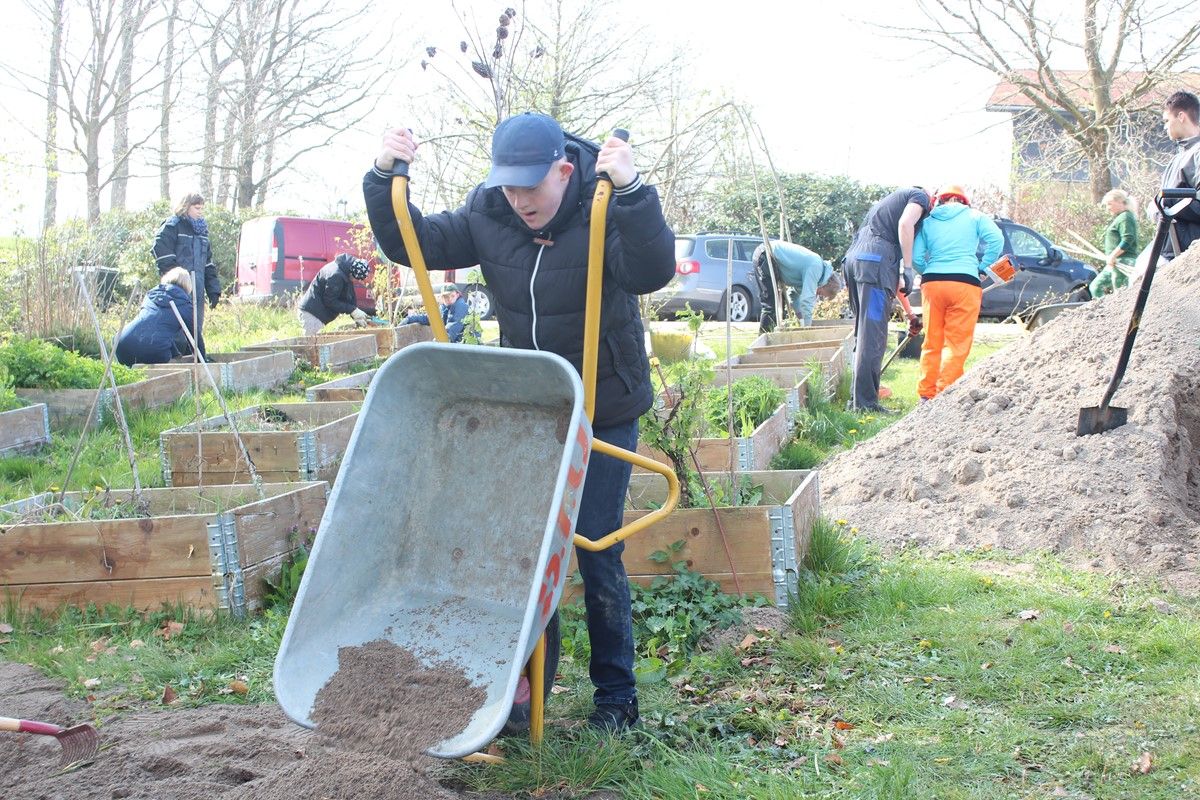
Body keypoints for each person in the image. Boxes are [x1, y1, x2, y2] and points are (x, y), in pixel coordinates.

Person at [364, 112, 675, 732]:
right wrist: (382, 177)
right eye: (509, 187)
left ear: (565, 171)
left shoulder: (603, 204)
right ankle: (525, 694)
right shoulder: (490, 211)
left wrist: (636, 193)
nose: (520, 200)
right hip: (533, 409)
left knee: (592, 545)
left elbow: (651, 271)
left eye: (531, 188)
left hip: (602, 406)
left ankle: (617, 698)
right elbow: (412, 242)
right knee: (529, 553)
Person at [910, 184, 1003, 402]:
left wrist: (930, 272)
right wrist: (983, 267)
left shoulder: (928, 222)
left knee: (932, 340)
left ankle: (926, 394)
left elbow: (915, 257)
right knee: (956, 343)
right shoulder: (975, 216)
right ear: (964, 201)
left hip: (933, 284)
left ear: (939, 200)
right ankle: (945, 394)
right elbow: (996, 239)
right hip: (965, 283)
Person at [843, 187, 932, 411]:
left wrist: (911, 314)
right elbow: (906, 224)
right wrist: (909, 268)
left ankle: (857, 399)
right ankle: (865, 404)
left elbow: (894, 284)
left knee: (864, 333)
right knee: (872, 337)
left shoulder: (883, 212)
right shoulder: (919, 196)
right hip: (873, 265)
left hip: (857, 263)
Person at [152, 192, 220, 358]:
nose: (200, 211)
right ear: (186, 206)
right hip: (177, 287)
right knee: (176, 325)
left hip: (197, 287)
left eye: (202, 208)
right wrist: (176, 277)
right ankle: (174, 359)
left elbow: (208, 263)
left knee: (195, 324)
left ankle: (195, 358)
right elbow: (160, 250)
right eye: (197, 208)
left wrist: (214, 289)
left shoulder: (202, 231)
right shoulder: (172, 225)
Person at [751, 241, 842, 331]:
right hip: (766, 255)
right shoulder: (816, 268)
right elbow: (807, 301)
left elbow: (792, 294)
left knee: (779, 307)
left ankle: (772, 338)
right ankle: (764, 340)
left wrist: (801, 317)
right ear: (826, 284)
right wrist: (807, 329)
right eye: (821, 293)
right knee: (770, 305)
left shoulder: (818, 273)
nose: (817, 294)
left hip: (771, 258)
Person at [114, 267, 196, 367]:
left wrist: (175, 354)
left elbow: (155, 327)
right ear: (188, 285)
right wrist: (202, 361)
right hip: (154, 351)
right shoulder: (185, 305)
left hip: (122, 343)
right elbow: (195, 338)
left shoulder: (150, 296)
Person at [1157, 90, 1200, 262]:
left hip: (1190, 255)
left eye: (1167, 121)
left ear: (1181, 116)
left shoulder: (1197, 154)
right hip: (1169, 249)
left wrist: (1168, 202)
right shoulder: (1177, 159)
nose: (1165, 126)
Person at [297, 253, 370, 335]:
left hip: (317, 312)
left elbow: (349, 296)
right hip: (312, 312)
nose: (355, 281)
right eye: (355, 278)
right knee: (310, 344)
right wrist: (352, 310)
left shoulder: (345, 270)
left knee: (315, 343)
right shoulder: (336, 276)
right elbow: (330, 301)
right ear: (351, 274)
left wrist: (356, 314)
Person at [1089, 189, 1138, 298]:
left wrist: (1113, 255)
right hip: (1116, 261)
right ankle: (1105, 312)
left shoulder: (1125, 217)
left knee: (1120, 294)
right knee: (1096, 287)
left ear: (1120, 201)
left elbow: (1128, 239)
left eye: (1109, 204)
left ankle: (1117, 313)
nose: (1108, 208)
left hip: (1123, 260)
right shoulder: (1122, 217)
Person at [400, 282, 470, 343]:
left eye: (452, 296)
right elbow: (431, 318)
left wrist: (438, 340)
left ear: (457, 295)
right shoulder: (444, 308)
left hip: (467, 345)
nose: (450, 299)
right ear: (442, 298)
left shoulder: (460, 306)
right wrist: (410, 319)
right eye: (446, 297)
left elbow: (453, 327)